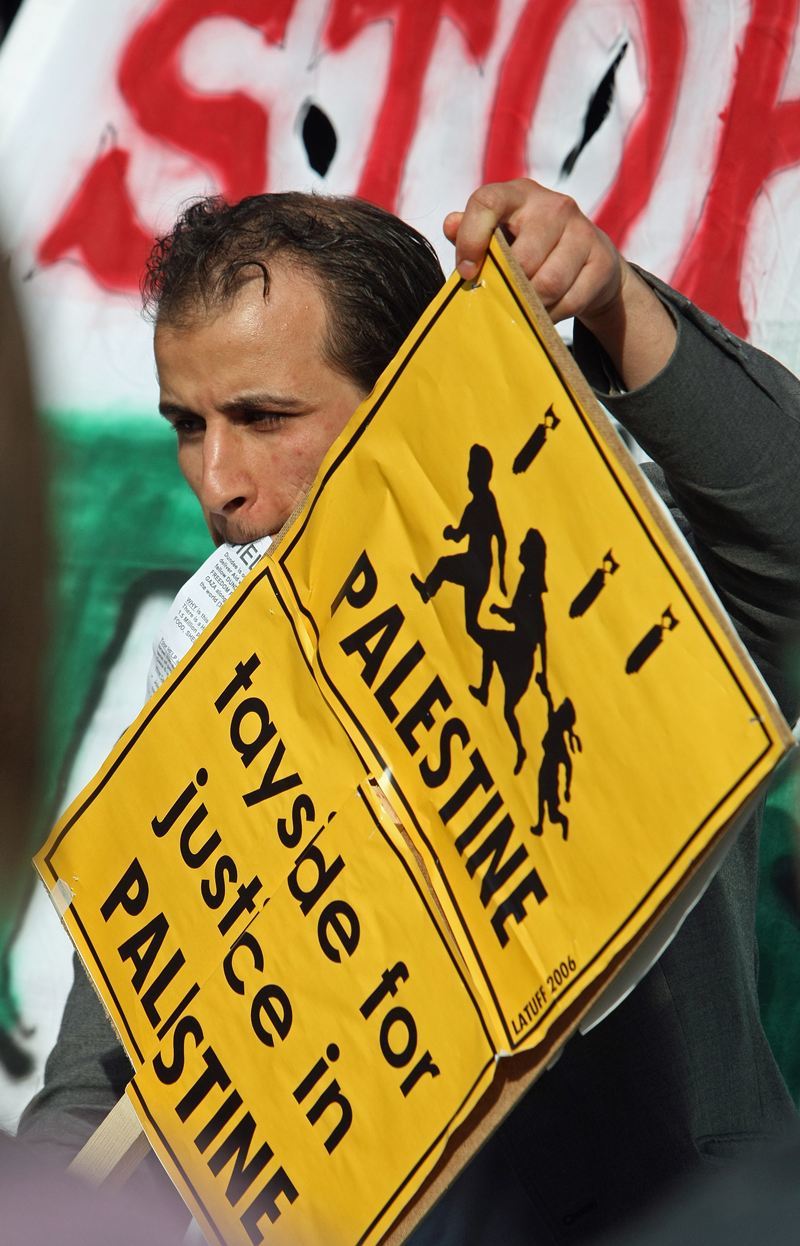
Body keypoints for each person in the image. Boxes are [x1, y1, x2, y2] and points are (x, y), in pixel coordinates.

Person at [19, 178, 800, 1244]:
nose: (217, 480)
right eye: (186, 424)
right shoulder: (210, 669)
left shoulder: (587, 583)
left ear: (404, 395)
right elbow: (116, 1063)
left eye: (262, 417)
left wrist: (617, 305)